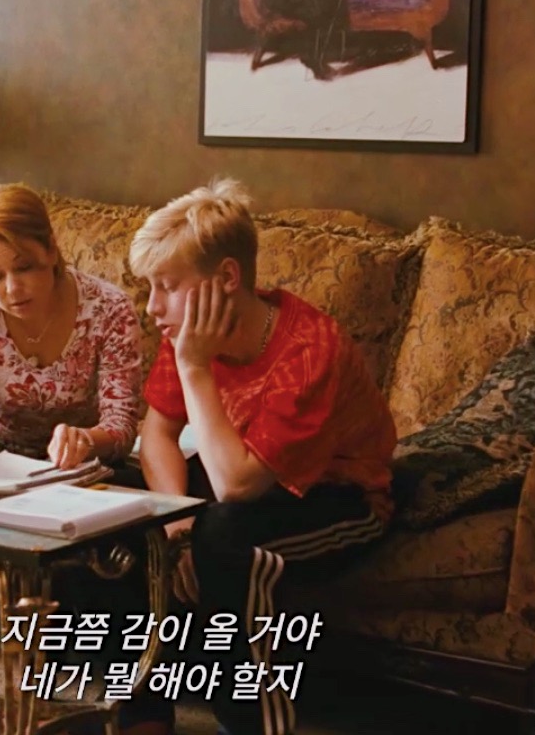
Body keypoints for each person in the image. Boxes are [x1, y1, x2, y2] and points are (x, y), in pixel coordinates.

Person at [116, 177, 398, 735]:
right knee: (132, 519)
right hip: (240, 476)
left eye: (167, 287)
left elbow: (238, 487)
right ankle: (144, 720)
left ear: (227, 278)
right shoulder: (185, 331)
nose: (152, 307)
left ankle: (250, 724)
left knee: (224, 539)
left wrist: (194, 367)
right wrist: (175, 528)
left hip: (341, 496)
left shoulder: (309, 349)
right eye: (150, 287)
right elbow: (157, 436)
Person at [0, 182, 144, 734]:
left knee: (123, 535)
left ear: (52, 249)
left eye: (24, 267)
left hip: (85, 463)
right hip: (2, 459)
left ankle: (119, 695)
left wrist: (87, 439)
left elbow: (122, 424)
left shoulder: (108, 308)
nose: (10, 288)